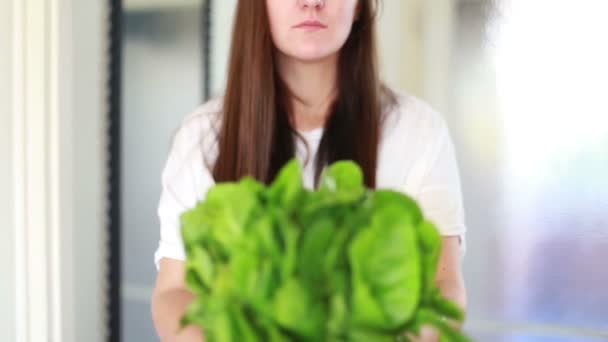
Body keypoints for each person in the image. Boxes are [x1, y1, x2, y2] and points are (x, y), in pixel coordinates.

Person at [151, 0, 467, 341]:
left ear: (360, 6)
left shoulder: (419, 131)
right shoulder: (201, 137)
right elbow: (173, 292)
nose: (311, 3)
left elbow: (444, 285)